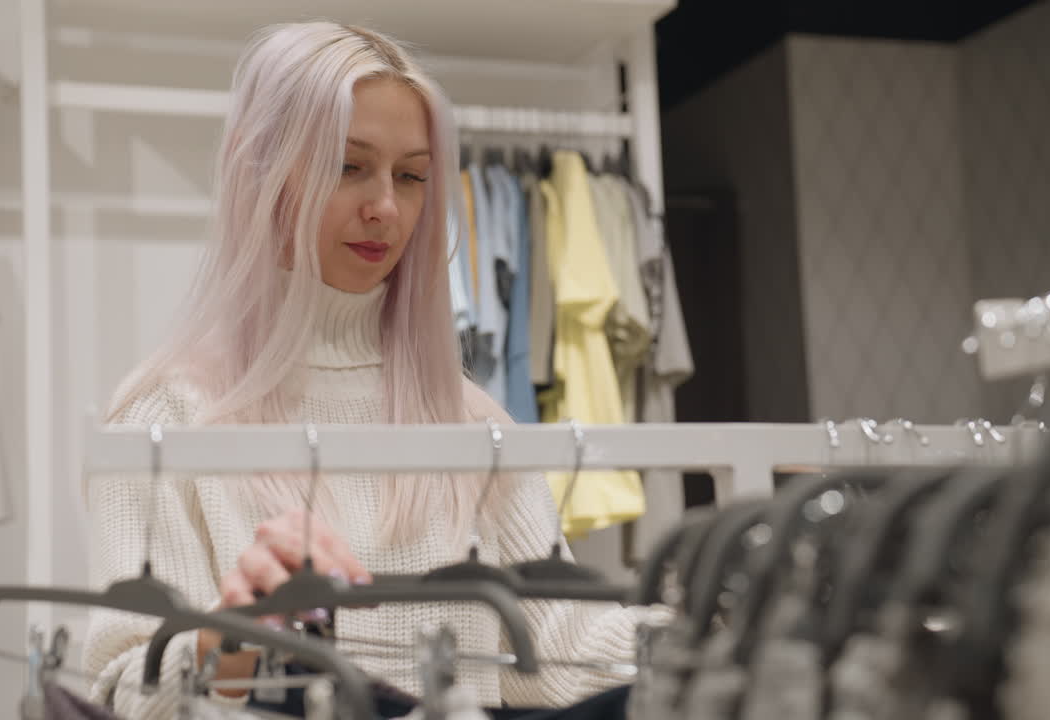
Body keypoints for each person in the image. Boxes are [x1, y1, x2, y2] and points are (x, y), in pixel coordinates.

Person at [83, 21, 647, 718]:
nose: (386, 206)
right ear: (261, 171)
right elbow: (123, 695)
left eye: (411, 176)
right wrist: (223, 641)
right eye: (350, 166)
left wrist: (725, 614)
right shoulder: (161, 421)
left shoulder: (469, 421)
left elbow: (560, 649)